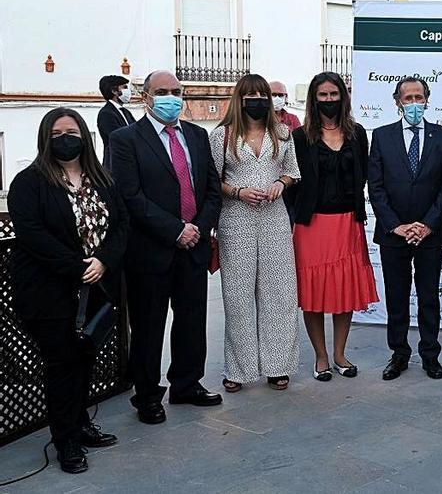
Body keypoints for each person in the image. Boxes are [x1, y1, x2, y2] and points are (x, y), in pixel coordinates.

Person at [9, 109, 127, 473]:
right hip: (50, 292)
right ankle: (66, 441)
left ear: (84, 136)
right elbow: (32, 235)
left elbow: (121, 224)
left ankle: (80, 423)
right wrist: (78, 267)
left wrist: (103, 261)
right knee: (61, 366)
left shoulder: (102, 178)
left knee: (85, 358)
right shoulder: (29, 182)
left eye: (72, 131)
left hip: (97, 289)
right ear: (46, 138)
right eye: (57, 132)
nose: (65, 138)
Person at [109, 70, 223, 425]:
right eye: (162, 91)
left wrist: (197, 229)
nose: (170, 97)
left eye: (176, 91)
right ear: (145, 96)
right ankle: (146, 394)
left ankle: (187, 384)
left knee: (192, 320)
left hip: (193, 247)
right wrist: (175, 230)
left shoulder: (197, 134)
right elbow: (129, 195)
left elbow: (211, 190)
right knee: (148, 325)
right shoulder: (124, 139)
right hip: (150, 250)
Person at [210, 74, 301, 392]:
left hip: (275, 219)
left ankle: (278, 365)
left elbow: (293, 172)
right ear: (240, 99)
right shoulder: (221, 135)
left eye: (262, 95)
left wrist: (281, 183)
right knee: (238, 296)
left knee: (280, 294)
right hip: (235, 221)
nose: (258, 100)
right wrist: (237, 191)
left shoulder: (283, 133)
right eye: (250, 96)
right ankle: (238, 369)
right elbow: (212, 181)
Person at [289, 72, 377, 382]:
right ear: (314, 99)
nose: (329, 100)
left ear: (343, 97)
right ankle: (321, 356)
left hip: (348, 221)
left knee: (344, 289)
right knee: (313, 292)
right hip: (312, 225)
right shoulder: (300, 136)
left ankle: (340, 353)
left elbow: (364, 174)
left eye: (334, 94)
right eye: (322, 95)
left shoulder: (358, 133)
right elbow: (293, 181)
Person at [368, 76, 442, 381]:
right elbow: (375, 187)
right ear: (397, 102)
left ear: (427, 100)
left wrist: (428, 224)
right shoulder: (381, 136)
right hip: (394, 234)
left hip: (430, 233)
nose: (415, 103)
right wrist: (397, 226)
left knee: (429, 295)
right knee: (396, 296)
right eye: (408, 98)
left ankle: (430, 355)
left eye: (419, 97)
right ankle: (399, 354)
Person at [96, 74, 135, 166]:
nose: (128, 91)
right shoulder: (106, 113)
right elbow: (118, 138)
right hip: (115, 166)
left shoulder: (126, 112)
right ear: (114, 91)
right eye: (124, 87)